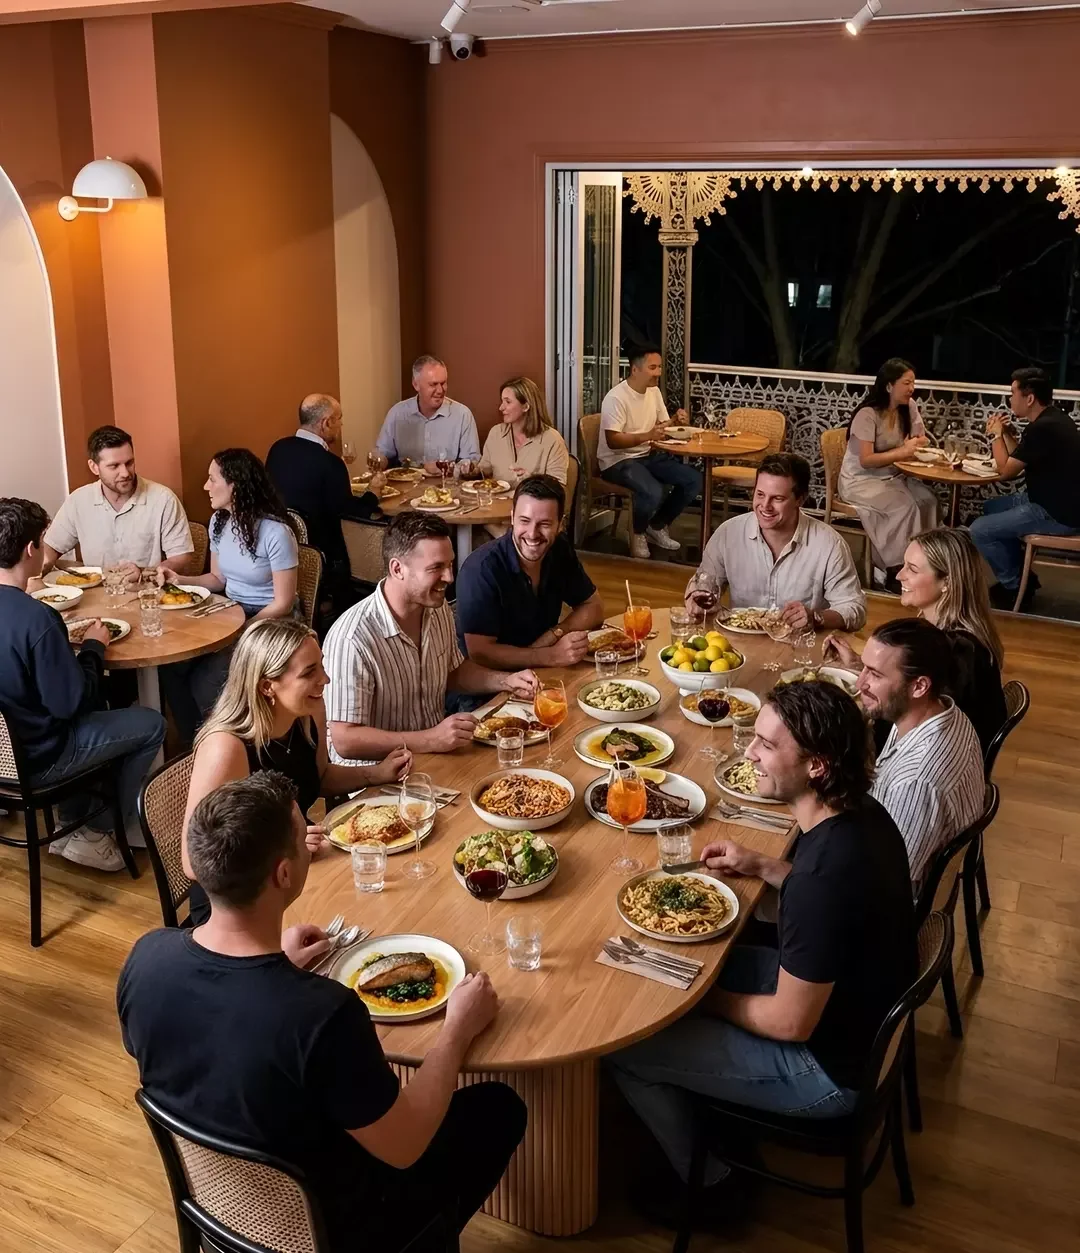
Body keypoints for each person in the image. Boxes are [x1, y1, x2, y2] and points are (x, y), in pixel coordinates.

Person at [118, 771, 527, 1253]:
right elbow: (405, 1146)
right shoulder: (323, 1014)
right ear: (283, 875)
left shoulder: (145, 958)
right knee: (497, 1108)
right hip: (334, 1230)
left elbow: (207, 1042)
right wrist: (457, 1029)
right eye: (303, 837)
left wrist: (276, 966)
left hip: (221, 1202)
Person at [608, 681, 914, 1205]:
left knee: (629, 1047)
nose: (749, 752)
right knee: (688, 966)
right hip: (852, 1011)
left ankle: (712, 1188)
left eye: (767, 745)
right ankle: (708, 1102)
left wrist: (706, 1001)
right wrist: (763, 865)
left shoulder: (821, 882)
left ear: (817, 765)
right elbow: (834, 902)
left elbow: (790, 1023)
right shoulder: (863, 815)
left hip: (830, 1071)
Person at [181, 618, 412, 927]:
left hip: (295, 873)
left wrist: (376, 774)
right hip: (235, 906)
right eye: (309, 672)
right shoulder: (227, 748)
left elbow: (319, 778)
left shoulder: (307, 712)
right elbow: (193, 863)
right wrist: (286, 850)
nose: (325, 679)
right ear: (267, 686)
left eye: (321, 666)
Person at [0, 498, 165, 872]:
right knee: (151, 724)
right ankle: (94, 832)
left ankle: (70, 821)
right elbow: (73, 705)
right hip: (41, 760)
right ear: (31, 549)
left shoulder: (32, 617)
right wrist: (93, 647)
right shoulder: (37, 619)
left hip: (6, 759)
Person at [323, 512, 538, 761]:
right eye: (436, 568)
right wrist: (430, 739)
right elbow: (345, 740)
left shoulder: (437, 608)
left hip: (433, 757)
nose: (449, 577)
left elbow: (453, 671)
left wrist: (506, 681)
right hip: (375, 774)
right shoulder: (352, 639)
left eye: (450, 564)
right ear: (397, 569)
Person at [158, 449, 299, 746]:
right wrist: (179, 580)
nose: (205, 486)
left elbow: (283, 602)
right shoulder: (219, 522)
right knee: (172, 669)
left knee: (207, 678)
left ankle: (231, 748)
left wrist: (242, 628)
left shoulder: (276, 532)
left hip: (271, 618)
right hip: (231, 611)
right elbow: (217, 579)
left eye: (212, 479)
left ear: (235, 485)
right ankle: (195, 744)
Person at [826, 527, 1006, 752]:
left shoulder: (957, 652)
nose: (899, 575)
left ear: (947, 582)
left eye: (912, 569)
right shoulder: (949, 637)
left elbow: (907, 723)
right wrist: (859, 665)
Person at [854, 618, 985, 889]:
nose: (860, 682)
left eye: (875, 675)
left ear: (919, 686)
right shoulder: (944, 711)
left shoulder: (916, 784)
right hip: (872, 836)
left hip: (881, 897)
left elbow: (885, 884)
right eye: (863, 668)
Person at [692, 453, 866, 632]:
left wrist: (816, 617)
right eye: (760, 494)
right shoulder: (728, 533)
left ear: (800, 499)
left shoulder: (829, 544)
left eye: (777, 498)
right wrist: (695, 596)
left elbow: (854, 609)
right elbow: (703, 583)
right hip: (741, 643)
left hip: (800, 644)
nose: (765, 506)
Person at [456, 475, 605, 670]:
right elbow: (480, 653)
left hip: (539, 668)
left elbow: (594, 607)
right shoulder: (481, 569)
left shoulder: (559, 548)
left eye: (545, 524)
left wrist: (556, 633)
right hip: (490, 678)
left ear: (560, 524)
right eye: (524, 521)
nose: (533, 534)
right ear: (512, 518)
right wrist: (550, 655)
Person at [971, 366, 1080, 609]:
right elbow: (1018, 458)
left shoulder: (1043, 428)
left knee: (980, 530)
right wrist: (1006, 434)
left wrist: (995, 436)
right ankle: (1021, 575)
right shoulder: (1054, 419)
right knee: (991, 508)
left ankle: (1014, 585)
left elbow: (1006, 473)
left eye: (1013, 393)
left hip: (1057, 512)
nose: (1010, 399)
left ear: (1029, 398)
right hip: (1050, 500)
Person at [43, 425, 194, 581]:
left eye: (129, 463)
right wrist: (37, 569)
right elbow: (51, 547)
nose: (125, 473)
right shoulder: (78, 501)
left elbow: (181, 556)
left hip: (147, 590)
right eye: (114, 466)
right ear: (94, 467)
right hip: (96, 591)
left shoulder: (163, 499)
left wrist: (147, 573)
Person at [838, 358, 938, 586]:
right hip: (860, 481)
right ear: (889, 386)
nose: (912, 388)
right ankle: (896, 568)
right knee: (906, 507)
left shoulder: (908, 407)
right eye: (906, 383)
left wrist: (918, 442)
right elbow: (866, 460)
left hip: (892, 476)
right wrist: (903, 451)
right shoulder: (867, 414)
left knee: (928, 500)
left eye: (913, 383)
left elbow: (919, 437)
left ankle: (929, 562)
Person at [597, 343, 701, 558]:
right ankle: (637, 532)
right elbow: (613, 441)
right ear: (635, 369)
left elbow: (662, 427)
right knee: (653, 490)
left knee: (693, 480)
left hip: (646, 454)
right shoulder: (616, 398)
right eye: (653, 368)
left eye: (660, 367)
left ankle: (657, 525)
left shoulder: (653, 392)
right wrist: (647, 436)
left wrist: (676, 420)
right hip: (617, 461)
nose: (659, 373)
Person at [266, 392, 385, 571]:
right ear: (326, 423)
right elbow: (350, 512)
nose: (341, 425)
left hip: (280, 551)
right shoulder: (330, 463)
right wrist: (373, 493)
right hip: (322, 557)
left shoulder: (277, 449)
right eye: (339, 419)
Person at [373, 355, 480, 475]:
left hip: (446, 485)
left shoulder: (462, 415)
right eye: (433, 384)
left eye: (443, 383)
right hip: (405, 484)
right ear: (416, 384)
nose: (440, 390)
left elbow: (472, 463)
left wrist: (446, 468)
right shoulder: (397, 413)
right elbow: (382, 455)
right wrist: (379, 461)